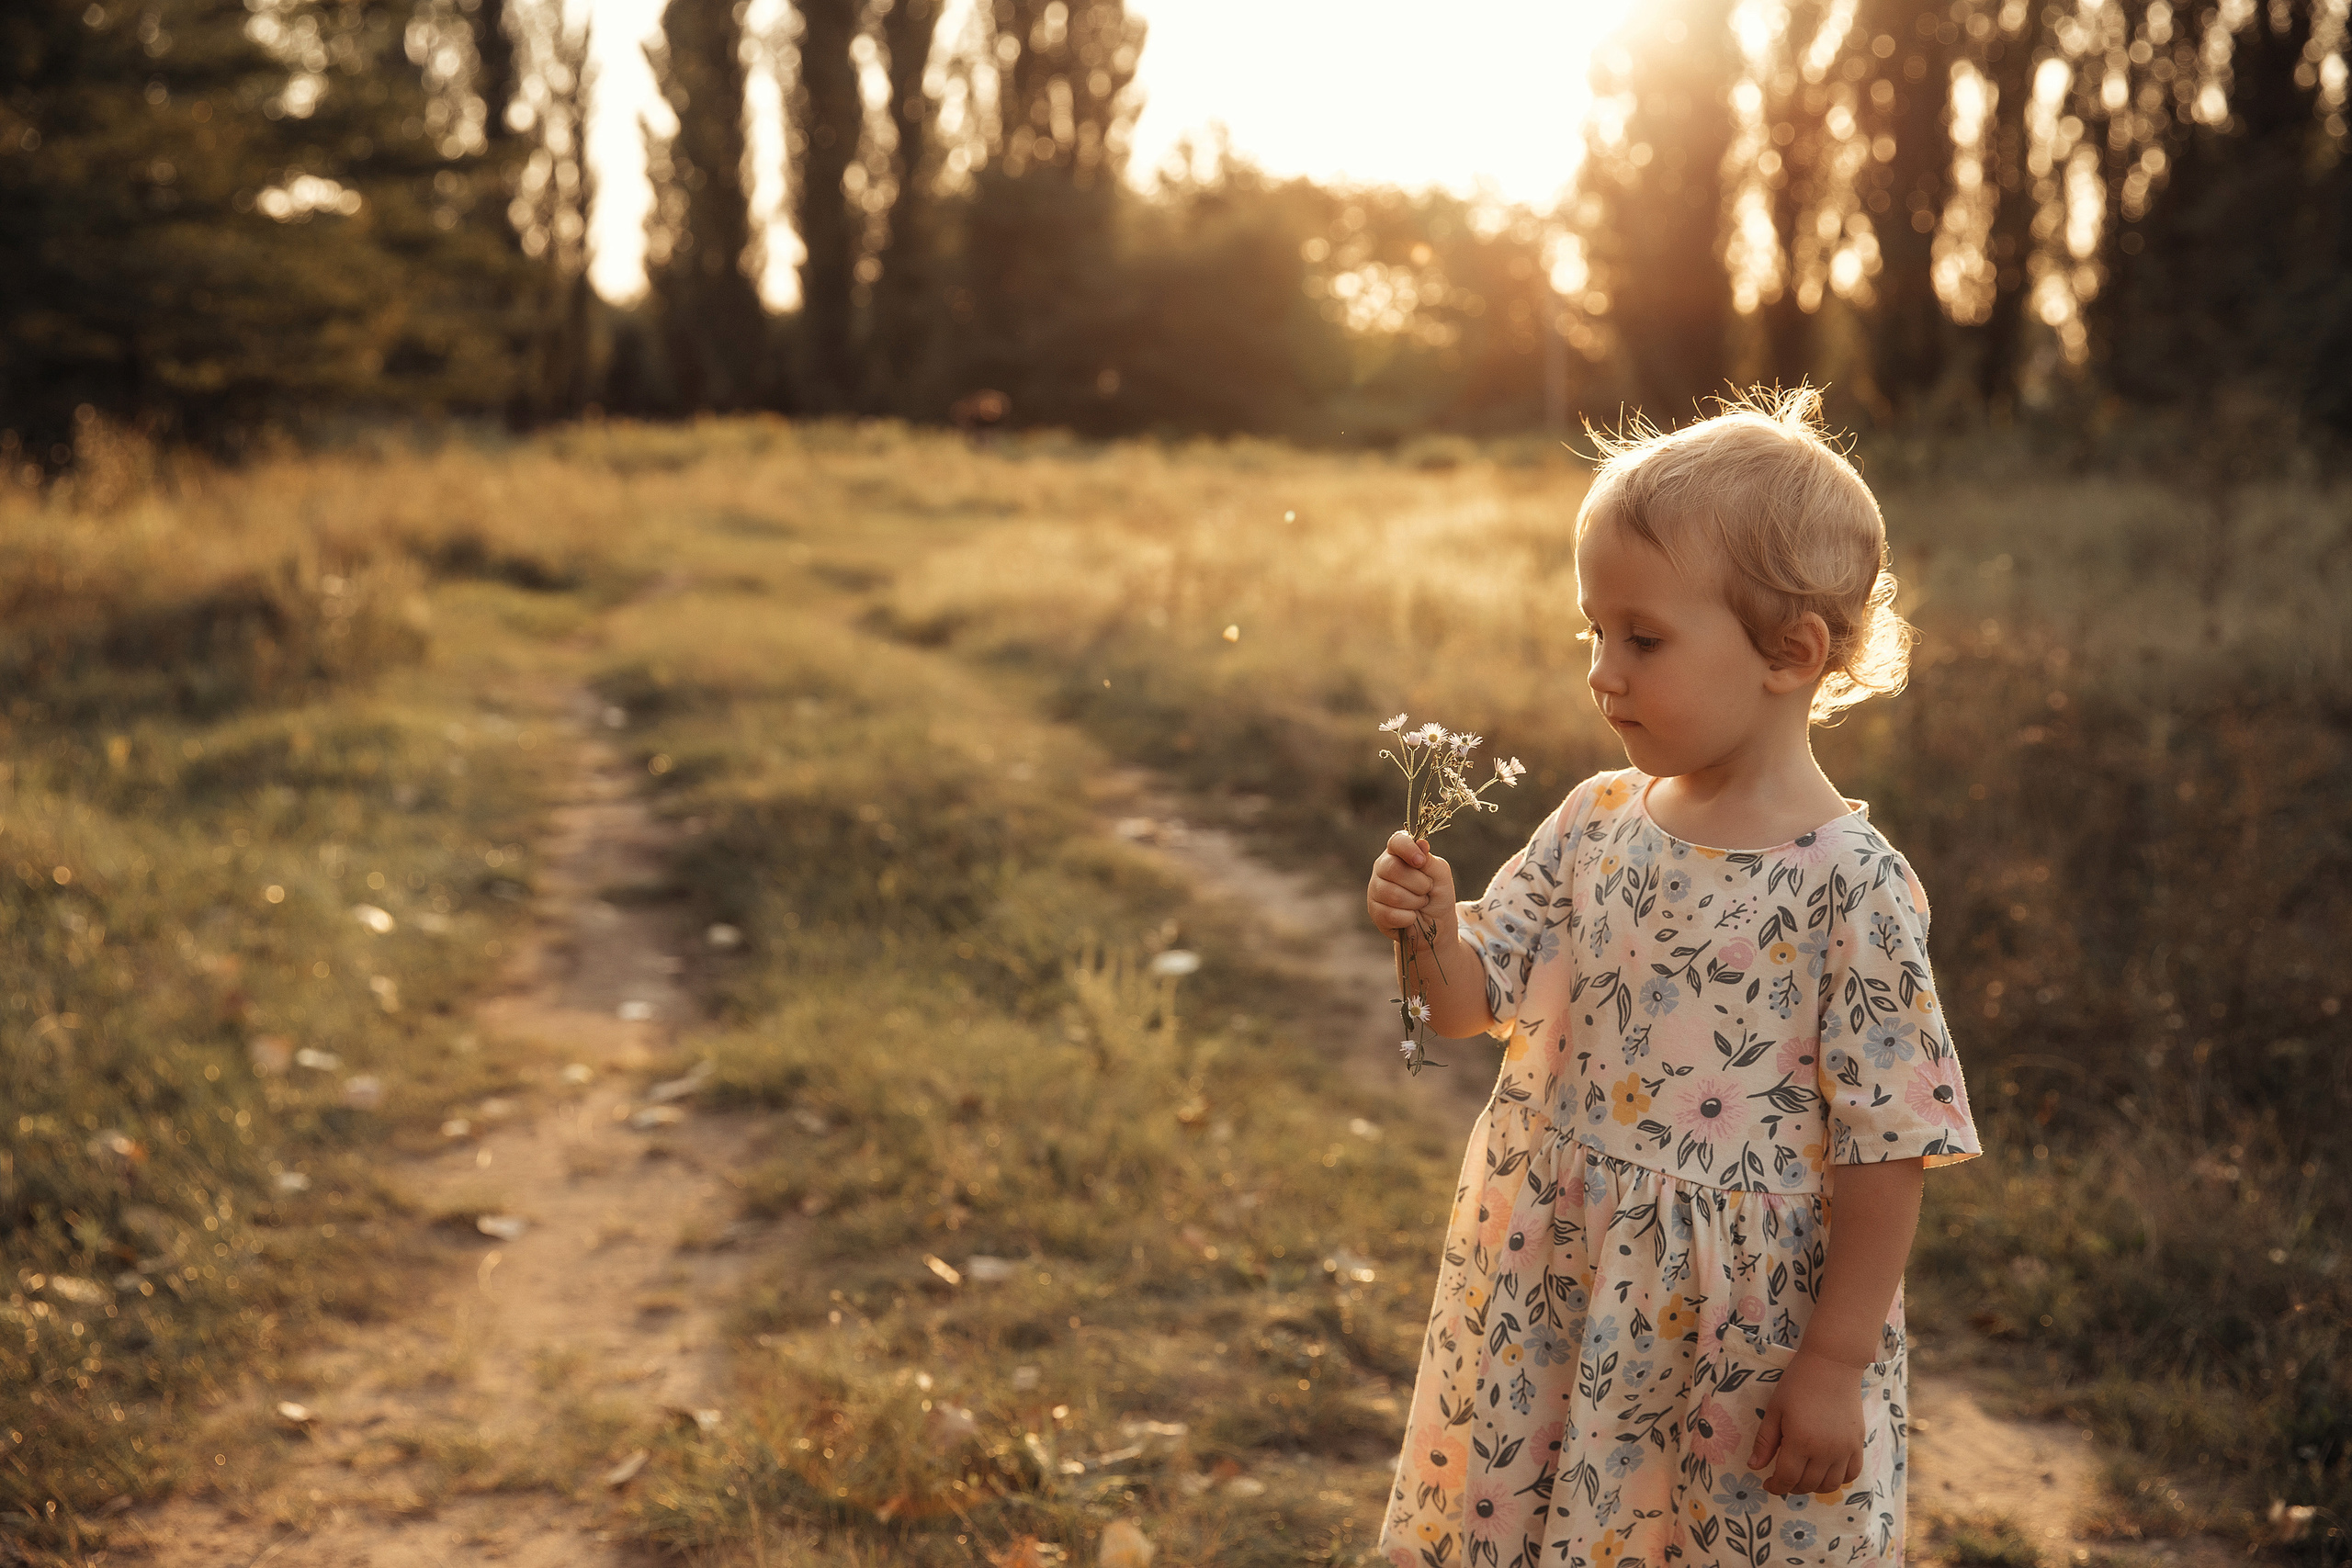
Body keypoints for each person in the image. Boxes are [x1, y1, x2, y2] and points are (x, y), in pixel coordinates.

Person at [1364, 389, 1981, 1568]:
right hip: (1563, 1289)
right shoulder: (1595, 822)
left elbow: (1888, 1143)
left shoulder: (1850, 883)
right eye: (1592, 632)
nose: (1603, 672)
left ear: (1790, 654)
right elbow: (1465, 1006)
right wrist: (1429, 928)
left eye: (1641, 639)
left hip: (1743, 1336)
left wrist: (1834, 1362)